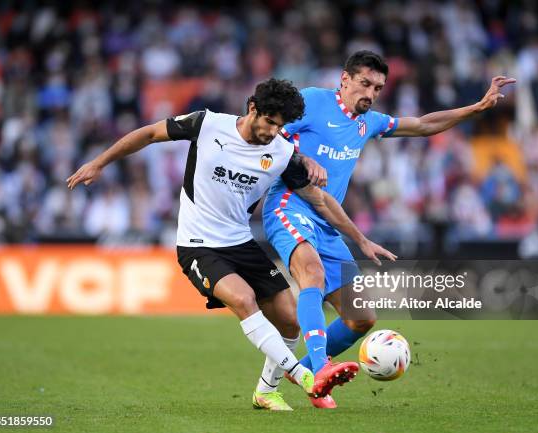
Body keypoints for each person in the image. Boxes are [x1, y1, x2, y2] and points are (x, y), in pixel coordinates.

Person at [67, 78, 394, 411]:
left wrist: (360, 238)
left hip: (240, 242)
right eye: (269, 121)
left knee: (290, 319)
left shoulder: (281, 152)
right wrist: (99, 163)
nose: (272, 131)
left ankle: (266, 392)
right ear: (252, 108)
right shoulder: (207, 124)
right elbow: (150, 133)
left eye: (280, 125)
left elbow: (320, 201)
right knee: (243, 298)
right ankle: (305, 376)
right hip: (198, 244)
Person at [263, 50, 516, 408]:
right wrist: (301, 157)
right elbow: (267, 131)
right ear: (345, 79)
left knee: (361, 318)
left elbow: (423, 124)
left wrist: (475, 108)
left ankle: (302, 373)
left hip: (328, 222)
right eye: (364, 83)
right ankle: (320, 369)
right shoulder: (311, 101)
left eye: (378, 88)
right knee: (311, 273)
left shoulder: (369, 123)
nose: (370, 93)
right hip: (289, 205)